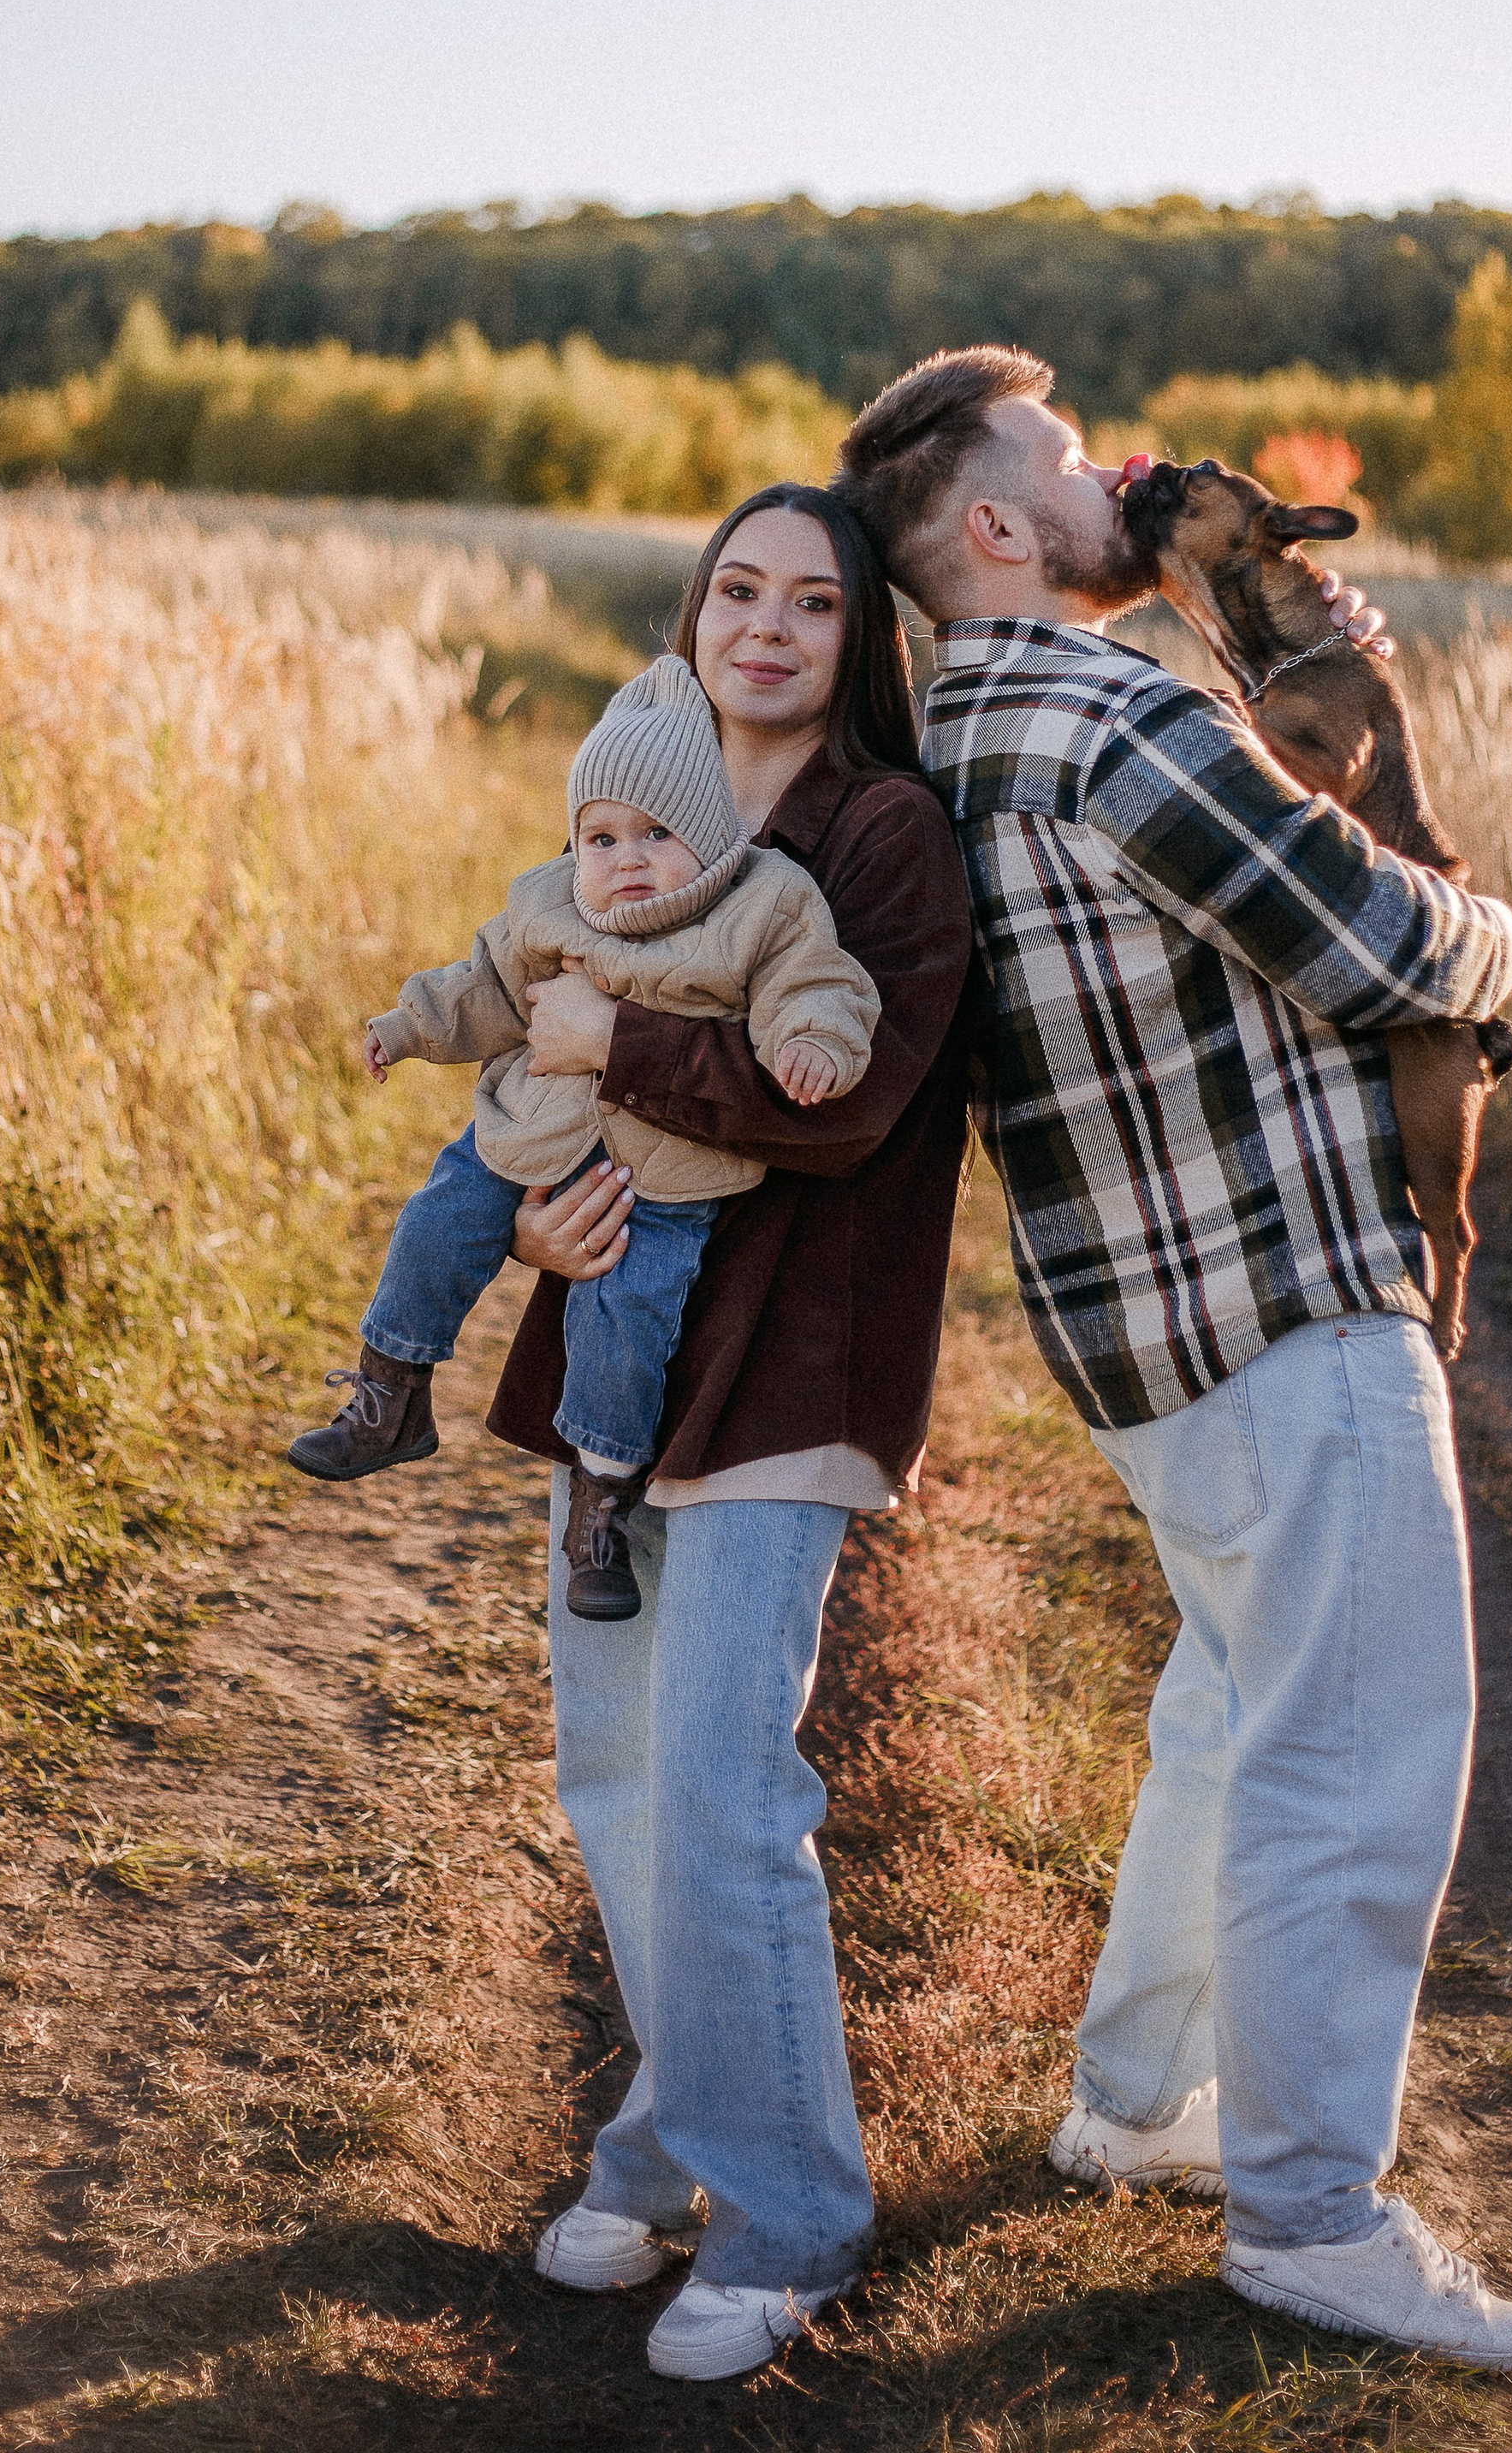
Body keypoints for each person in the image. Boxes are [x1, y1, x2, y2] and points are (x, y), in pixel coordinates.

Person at [835, 346, 1512, 2375]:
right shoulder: (1104, 707)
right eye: (1058, 459)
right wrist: (1493, 937)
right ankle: (1311, 2210)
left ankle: (1139, 2096)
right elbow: (1383, 945)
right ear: (988, 524)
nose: (1101, 475)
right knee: (1357, 1740)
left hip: (1138, 1332)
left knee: (1240, 1703)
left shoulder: (971, 722)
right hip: (1279, 1302)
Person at [481, 484, 975, 2383]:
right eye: (734, 589)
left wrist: (622, 1052)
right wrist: (533, 1197)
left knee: (716, 1790)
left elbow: (838, 1112)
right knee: (613, 1777)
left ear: (859, 643)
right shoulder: (641, 794)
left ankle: (785, 2215)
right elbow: (535, 1036)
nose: (763, 626)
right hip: (616, 1345)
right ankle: (660, 2147)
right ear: (695, 610)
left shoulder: (885, 836)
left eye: (812, 603)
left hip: (797, 1362)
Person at [286, 654, 879, 1624]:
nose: (627, 858)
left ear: (714, 833)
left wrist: (812, 1041)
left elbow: (814, 986)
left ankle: (601, 1507)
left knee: (627, 1320)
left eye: (658, 833)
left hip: (668, 1174)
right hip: (528, 1131)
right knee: (437, 1222)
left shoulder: (764, 905)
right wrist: (404, 1028)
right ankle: (389, 1392)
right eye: (601, 836)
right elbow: (480, 987)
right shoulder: (553, 901)